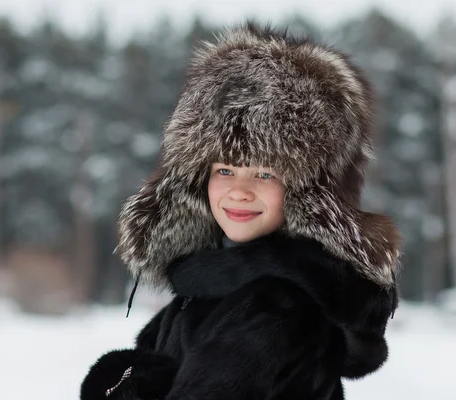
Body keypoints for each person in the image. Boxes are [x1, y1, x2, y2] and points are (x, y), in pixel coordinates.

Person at [80, 21, 401, 400]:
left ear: (308, 193)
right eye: (225, 169)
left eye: (265, 172)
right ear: (198, 180)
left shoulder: (276, 305)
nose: (239, 191)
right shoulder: (217, 283)